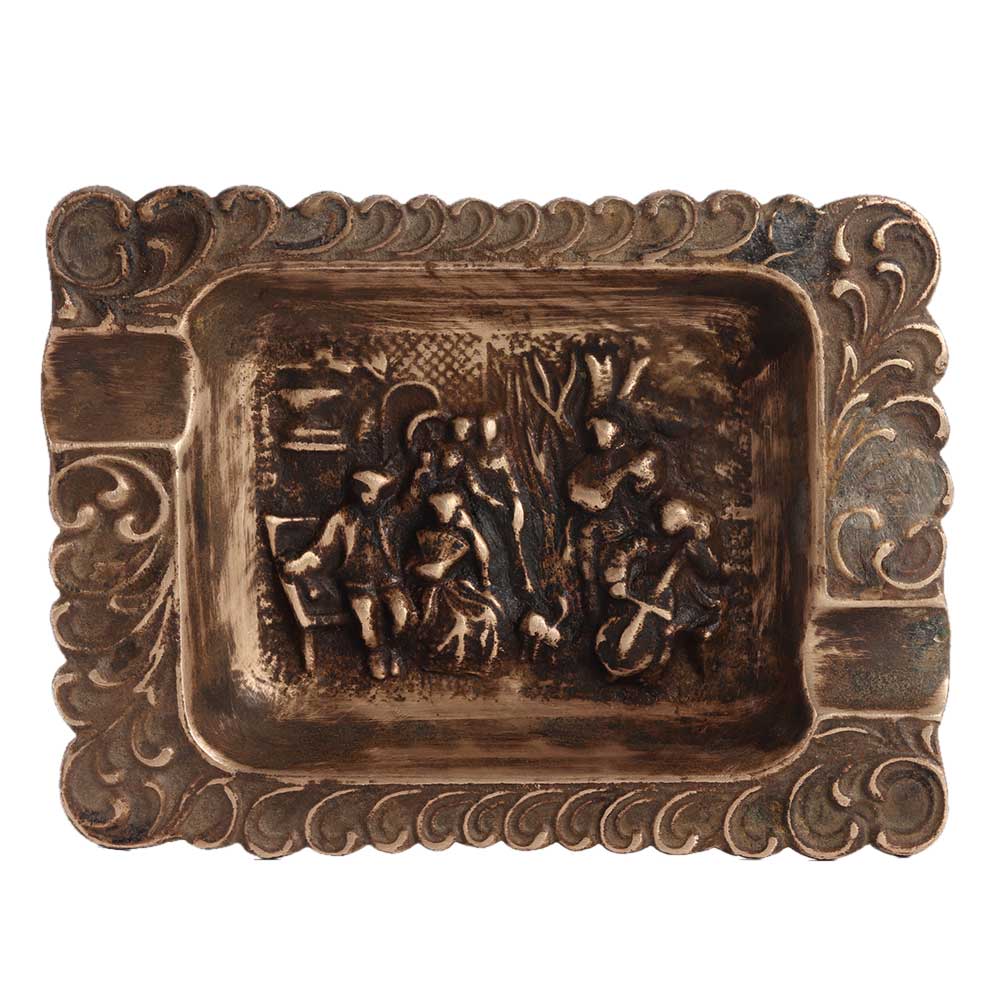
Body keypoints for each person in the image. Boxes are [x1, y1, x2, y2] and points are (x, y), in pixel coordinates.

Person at [284, 469, 415, 681]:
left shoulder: (390, 514)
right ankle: (377, 654)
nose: (374, 498)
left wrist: (422, 470)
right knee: (367, 625)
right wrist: (298, 565)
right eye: (370, 492)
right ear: (360, 493)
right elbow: (320, 551)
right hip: (358, 584)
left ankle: (395, 651)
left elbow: (412, 502)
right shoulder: (342, 518)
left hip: (390, 582)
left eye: (379, 493)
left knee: (403, 616)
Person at [594, 499, 724, 680]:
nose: (671, 531)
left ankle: (664, 663)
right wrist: (618, 577)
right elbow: (627, 551)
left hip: (678, 601)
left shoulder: (698, 553)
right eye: (668, 525)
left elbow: (714, 576)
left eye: (677, 526)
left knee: (670, 630)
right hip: (641, 591)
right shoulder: (650, 543)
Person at [409, 490, 503, 672]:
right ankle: (443, 660)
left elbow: (483, 558)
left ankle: (479, 661)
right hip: (430, 592)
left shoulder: (463, 537)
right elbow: (412, 566)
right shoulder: (422, 536)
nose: (443, 515)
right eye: (439, 510)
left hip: (454, 589)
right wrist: (425, 570)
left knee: (487, 613)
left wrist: (471, 529)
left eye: (449, 510)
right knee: (456, 620)